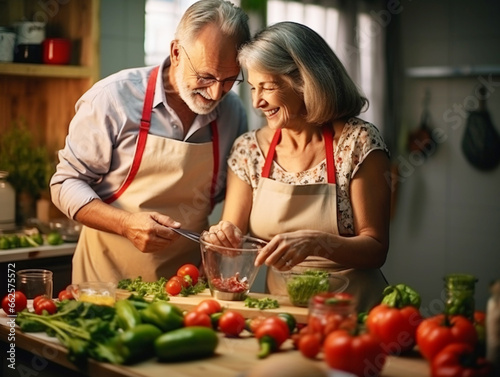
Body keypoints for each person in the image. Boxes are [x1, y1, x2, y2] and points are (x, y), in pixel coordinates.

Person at [50, 0, 250, 284]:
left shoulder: (233, 113)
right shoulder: (112, 98)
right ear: (177, 52)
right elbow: (64, 183)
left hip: (187, 283)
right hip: (106, 280)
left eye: (230, 79)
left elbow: (233, 193)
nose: (217, 93)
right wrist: (125, 224)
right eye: (206, 76)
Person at [207, 21, 391, 312]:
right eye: (253, 88)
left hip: (355, 314)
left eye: (267, 87)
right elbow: (233, 240)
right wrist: (223, 235)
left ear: (306, 81)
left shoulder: (358, 142)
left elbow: (376, 248)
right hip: (283, 313)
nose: (257, 101)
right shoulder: (249, 150)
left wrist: (317, 242)